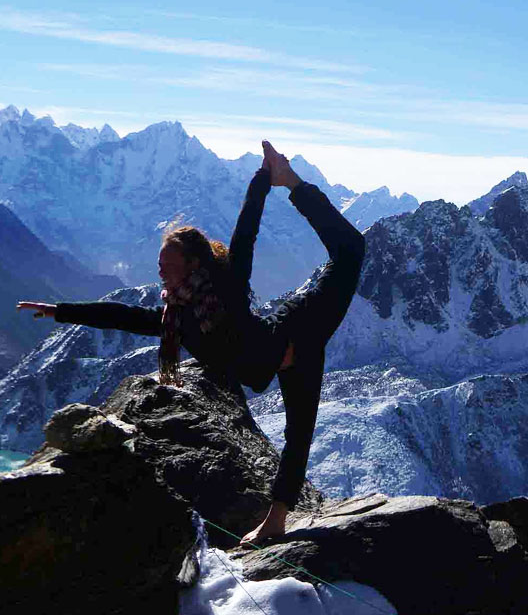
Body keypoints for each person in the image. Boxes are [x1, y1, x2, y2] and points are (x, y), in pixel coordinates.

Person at [17, 140, 365, 544]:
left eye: (167, 264)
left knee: (351, 251)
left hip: (300, 329)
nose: (159, 271)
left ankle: (292, 181)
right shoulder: (177, 317)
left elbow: (246, 232)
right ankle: (277, 520)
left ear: (192, 265)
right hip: (290, 361)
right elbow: (124, 317)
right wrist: (61, 310)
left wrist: (264, 181)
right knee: (298, 433)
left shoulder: (226, 288)